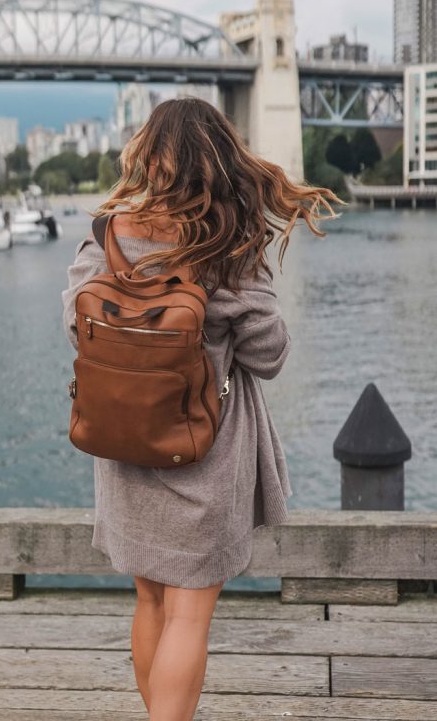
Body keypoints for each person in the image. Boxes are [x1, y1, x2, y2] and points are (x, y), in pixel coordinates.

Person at [61, 97, 338, 721]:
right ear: (219, 160)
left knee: (151, 603)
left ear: (148, 154)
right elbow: (268, 356)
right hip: (201, 452)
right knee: (190, 613)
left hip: (123, 445)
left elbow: (76, 326)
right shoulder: (225, 245)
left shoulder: (107, 231)